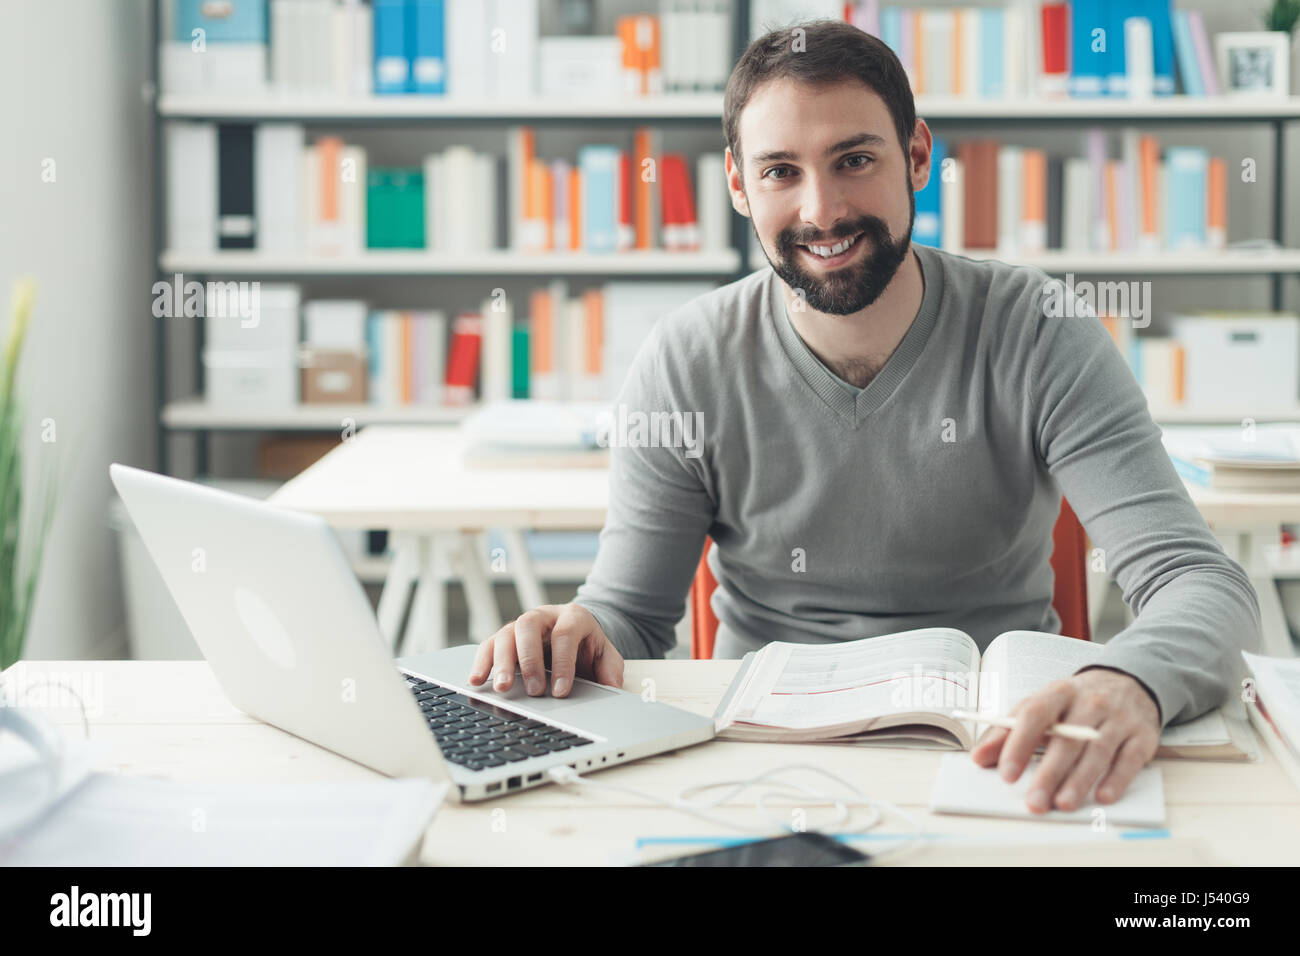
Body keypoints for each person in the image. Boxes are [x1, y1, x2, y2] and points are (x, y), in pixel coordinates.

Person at [468, 19, 1261, 814]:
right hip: (761, 764)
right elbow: (630, 619)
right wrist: (572, 633)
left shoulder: (1040, 328)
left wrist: (1131, 680)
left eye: (854, 159)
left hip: (1001, 753)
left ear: (917, 157)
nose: (823, 211)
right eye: (781, 171)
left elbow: (1197, 582)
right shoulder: (686, 359)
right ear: (740, 186)